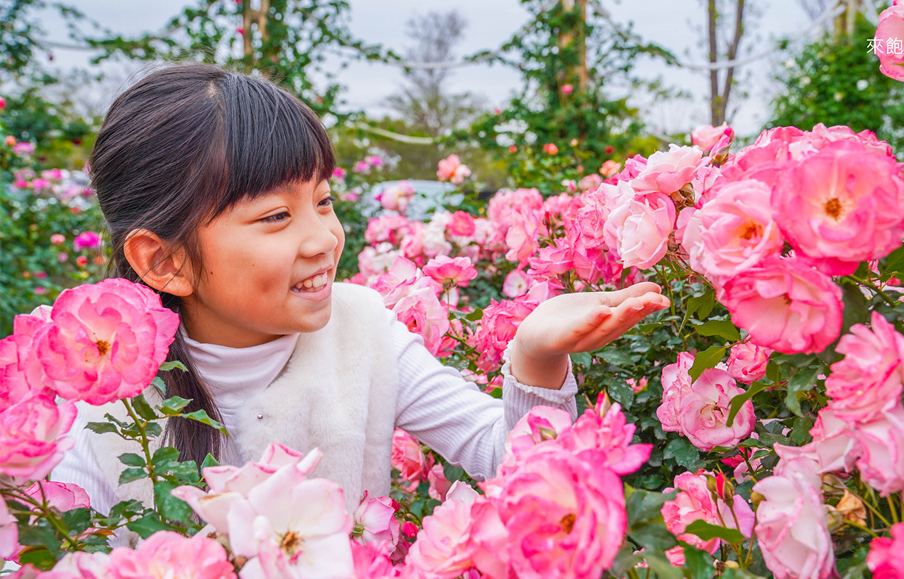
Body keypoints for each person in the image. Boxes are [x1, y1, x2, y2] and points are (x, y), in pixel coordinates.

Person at [50, 63, 668, 518]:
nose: (324, 238)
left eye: (322, 201)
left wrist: (536, 355)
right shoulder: (99, 411)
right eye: (276, 217)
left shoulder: (365, 334)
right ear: (165, 261)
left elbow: (510, 460)